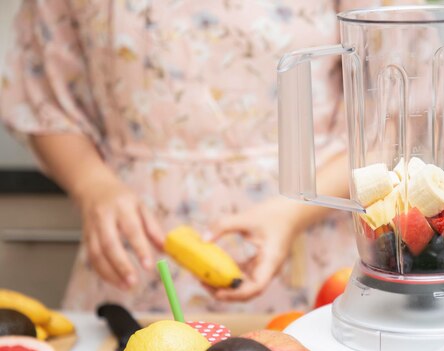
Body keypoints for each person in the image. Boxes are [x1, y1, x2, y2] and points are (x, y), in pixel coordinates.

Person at [0, 0, 390, 313]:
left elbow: (391, 114)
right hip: (135, 255)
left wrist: (291, 213)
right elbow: (39, 96)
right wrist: (93, 185)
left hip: (312, 244)